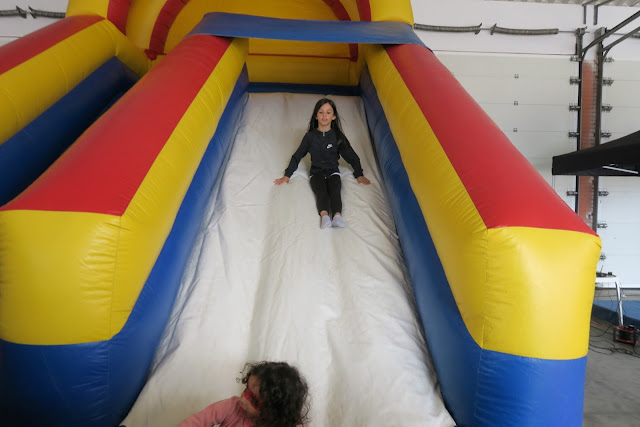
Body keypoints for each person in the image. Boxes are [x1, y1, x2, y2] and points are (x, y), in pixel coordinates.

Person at [274, 98, 370, 229]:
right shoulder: (310, 137)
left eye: (328, 112)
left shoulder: (338, 136)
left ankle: (337, 216)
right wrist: (287, 175)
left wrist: (359, 174)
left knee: (335, 191)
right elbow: (297, 155)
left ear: (334, 116)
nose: (324, 115)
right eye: (321, 112)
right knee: (321, 192)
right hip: (316, 173)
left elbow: (351, 156)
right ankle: (324, 216)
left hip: (333, 172)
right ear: (316, 116)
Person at [178, 361, 310, 427]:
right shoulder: (231, 406)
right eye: (246, 390)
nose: (243, 400)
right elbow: (196, 422)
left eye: (254, 400)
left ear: (275, 412)